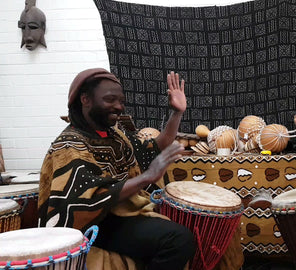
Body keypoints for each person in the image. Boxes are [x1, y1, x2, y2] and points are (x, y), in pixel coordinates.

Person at [38, 68, 195, 270]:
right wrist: (147, 177)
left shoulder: (115, 135)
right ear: (85, 99)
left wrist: (177, 113)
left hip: (120, 213)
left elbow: (156, 147)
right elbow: (84, 202)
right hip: (96, 222)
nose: (118, 107)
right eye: (110, 99)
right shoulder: (69, 145)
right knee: (178, 240)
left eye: (121, 101)